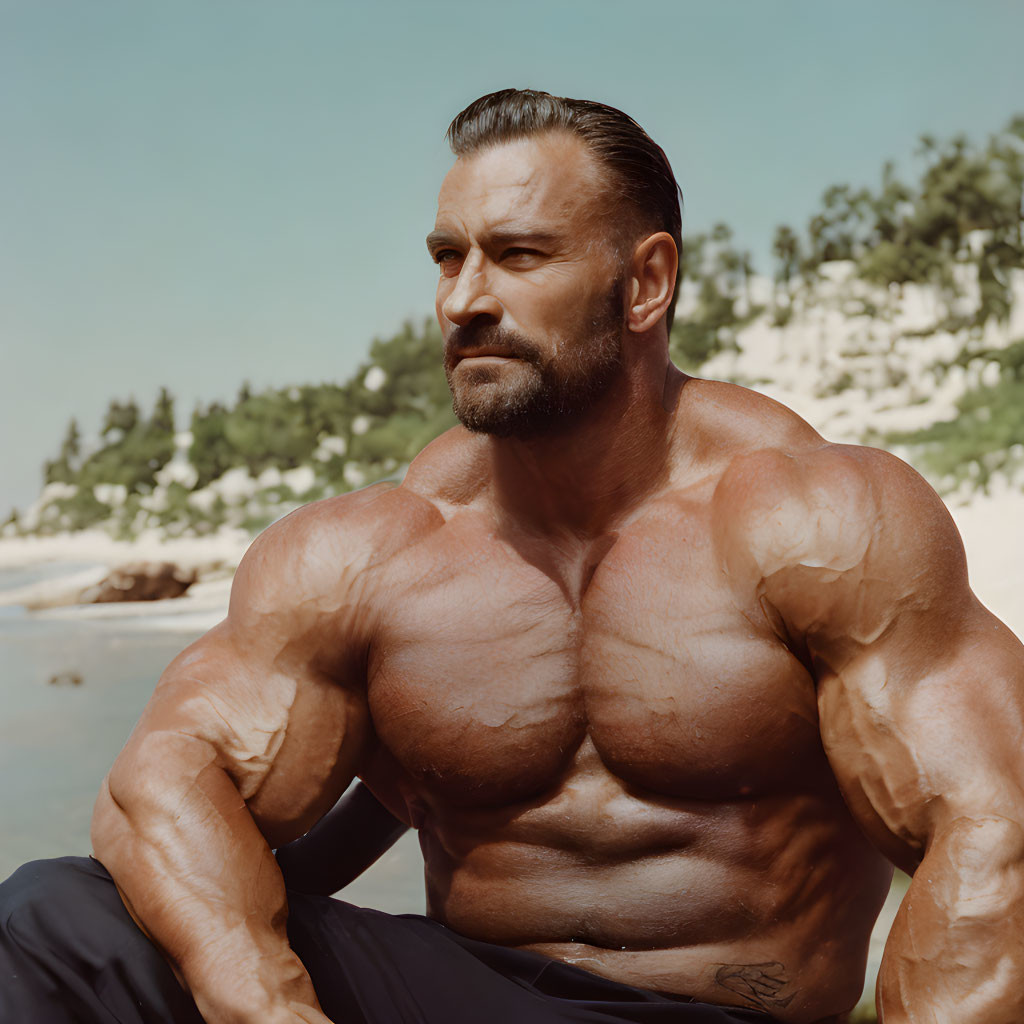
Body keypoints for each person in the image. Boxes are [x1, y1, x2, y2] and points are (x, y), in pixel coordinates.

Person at [2, 88, 1023, 1024]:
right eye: (448, 257)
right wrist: (263, 1004)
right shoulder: (384, 551)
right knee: (57, 913)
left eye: (519, 255)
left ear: (645, 282)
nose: (463, 301)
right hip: (468, 991)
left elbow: (993, 826)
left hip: (714, 1007)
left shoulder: (812, 518)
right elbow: (159, 783)